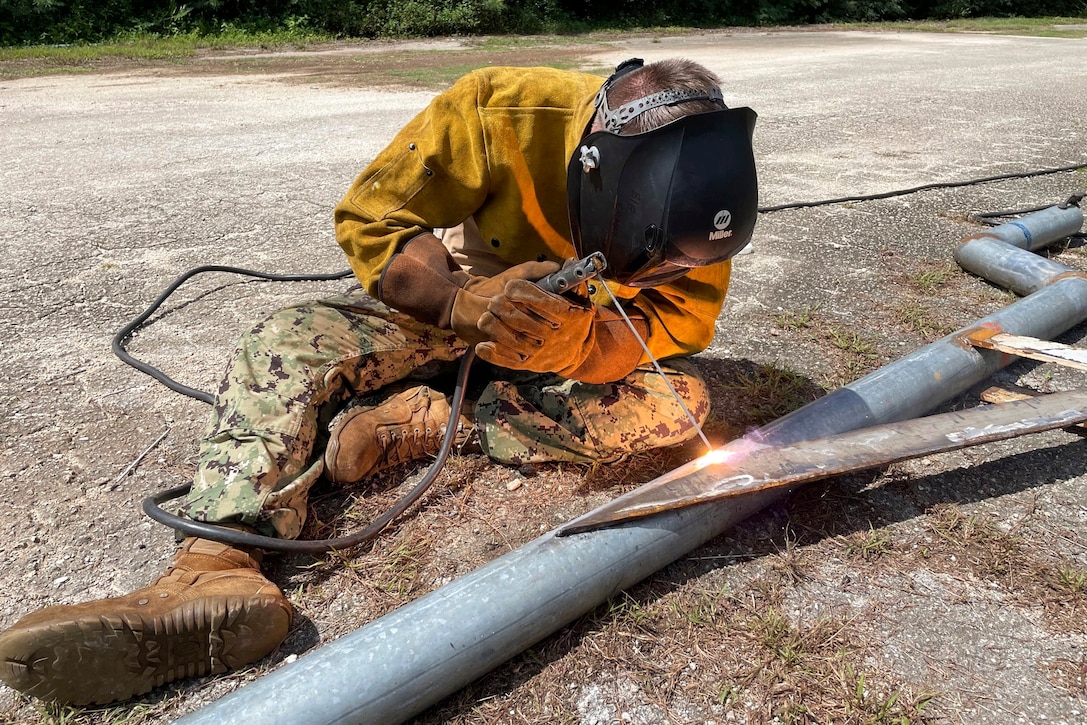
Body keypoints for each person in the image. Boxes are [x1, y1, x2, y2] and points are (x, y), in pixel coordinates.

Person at [0, 57, 757, 706]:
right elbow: (374, 218)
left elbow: (677, 327)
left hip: (564, 346)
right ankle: (216, 568)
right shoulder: (500, 109)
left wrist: (582, 348)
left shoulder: (697, 191)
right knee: (286, 342)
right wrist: (459, 301)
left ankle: (432, 420)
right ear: (593, 163)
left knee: (680, 402)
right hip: (449, 310)